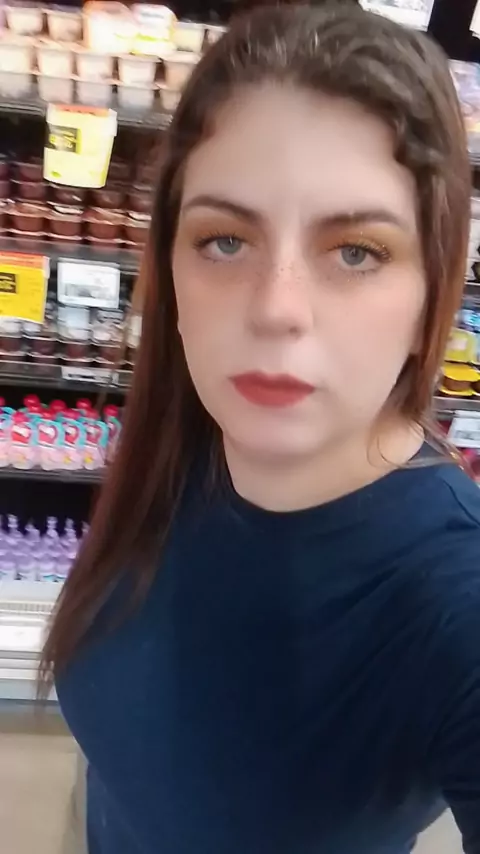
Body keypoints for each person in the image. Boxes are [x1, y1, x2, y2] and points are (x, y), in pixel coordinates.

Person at [41, 2, 480, 853]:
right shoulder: (179, 447)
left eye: (356, 251)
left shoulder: (455, 604)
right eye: (225, 240)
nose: (277, 309)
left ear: (432, 288)